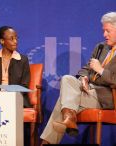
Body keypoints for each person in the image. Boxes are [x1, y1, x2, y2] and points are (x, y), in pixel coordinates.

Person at [40, 11, 116, 145]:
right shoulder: (101, 47)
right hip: (89, 90)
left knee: (64, 101)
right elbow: (85, 69)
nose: (104, 35)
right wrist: (83, 78)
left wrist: (100, 70)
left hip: (106, 97)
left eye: (108, 31)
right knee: (67, 79)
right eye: (103, 31)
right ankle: (69, 117)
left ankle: (50, 139)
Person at [0, 26, 31, 108]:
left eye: (16, 38)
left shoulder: (23, 60)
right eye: (12, 39)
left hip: (16, 100)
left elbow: (25, 85)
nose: (15, 41)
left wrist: (9, 96)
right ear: (2, 41)